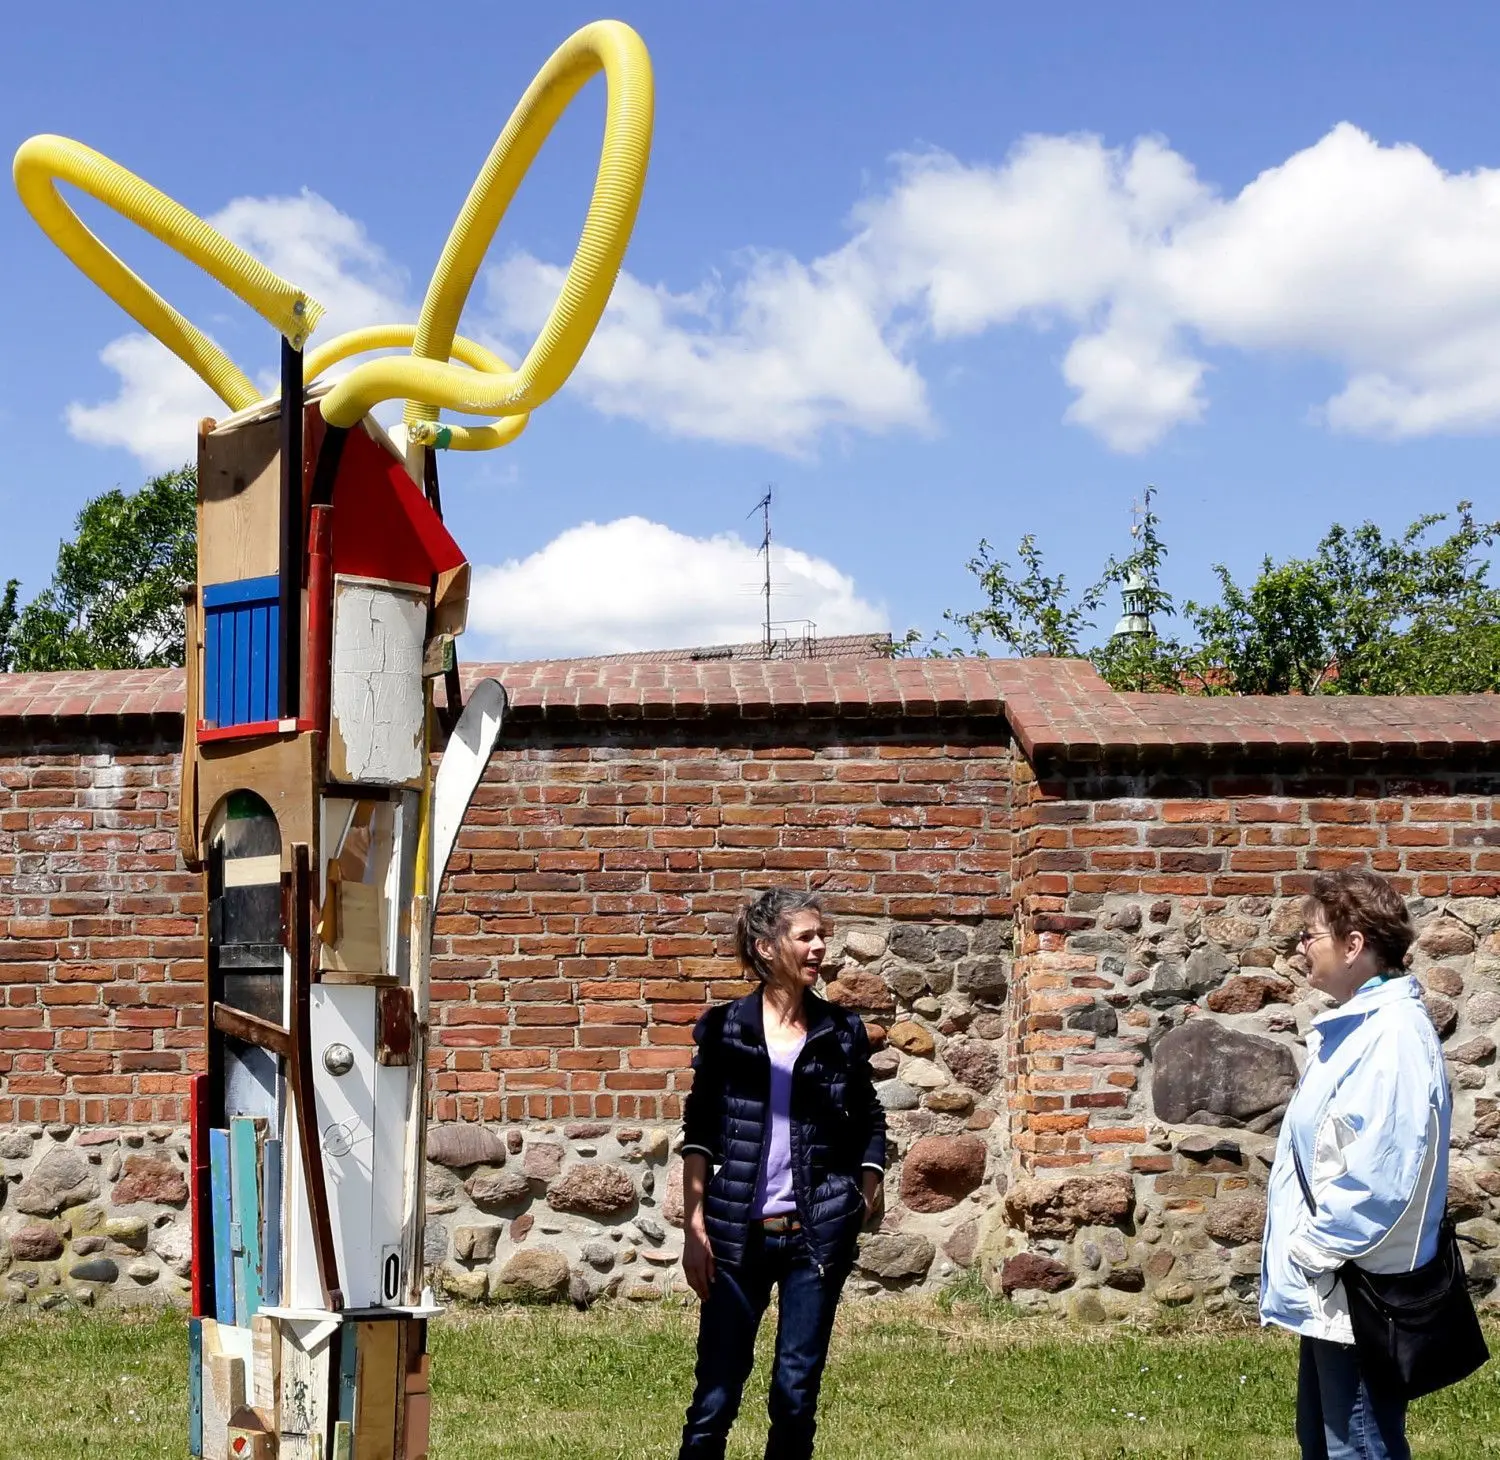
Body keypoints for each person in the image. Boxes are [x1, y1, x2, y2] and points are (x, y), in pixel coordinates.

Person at [676, 888, 886, 1460]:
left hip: (815, 1238)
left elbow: (868, 1116)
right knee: (715, 1394)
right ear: (768, 948)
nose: (820, 947)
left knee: (796, 1395)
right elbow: (698, 1131)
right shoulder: (726, 1029)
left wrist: (865, 1189)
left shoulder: (841, 1031)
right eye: (806, 936)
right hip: (735, 1236)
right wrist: (694, 1228)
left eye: (822, 935)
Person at [1260, 868, 1452, 1460]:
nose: (1298, 948)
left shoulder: (1391, 1035)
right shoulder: (1357, 1029)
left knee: (1359, 1446)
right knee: (1325, 1441)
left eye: (1309, 935)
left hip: (1354, 1283)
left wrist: (1316, 1249)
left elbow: (1381, 1171)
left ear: (1353, 944)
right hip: (1334, 1283)